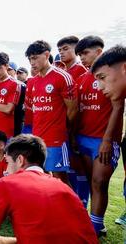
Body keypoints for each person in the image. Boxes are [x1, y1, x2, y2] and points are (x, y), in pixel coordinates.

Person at [0, 134, 98, 244]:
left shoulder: (5, 184)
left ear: (20, 160)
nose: (7, 170)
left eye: (9, 163)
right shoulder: (64, 187)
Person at [76, 37, 123, 235]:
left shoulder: (111, 76)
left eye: (85, 53)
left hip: (104, 140)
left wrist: (107, 140)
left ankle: (95, 227)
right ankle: (92, 222)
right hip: (83, 138)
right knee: (89, 182)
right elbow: (78, 110)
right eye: (80, 55)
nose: (82, 58)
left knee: (99, 182)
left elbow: (118, 106)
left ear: (99, 51)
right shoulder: (82, 79)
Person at [25, 40, 78, 184]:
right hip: (37, 139)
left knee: (59, 179)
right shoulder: (33, 81)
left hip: (56, 138)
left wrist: (63, 129)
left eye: (35, 58)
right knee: (42, 176)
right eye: (30, 59)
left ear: (47, 55)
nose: (32, 62)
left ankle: (68, 206)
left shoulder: (62, 77)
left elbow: (73, 109)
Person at [57, 35, 89, 207]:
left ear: (76, 50)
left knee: (80, 170)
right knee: (67, 170)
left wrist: (72, 131)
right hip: (63, 129)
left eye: (66, 49)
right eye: (60, 50)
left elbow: (77, 107)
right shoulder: (64, 73)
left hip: (77, 130)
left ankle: (82, 206)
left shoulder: (82, 72)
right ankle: (71, 206)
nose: (62, 53)